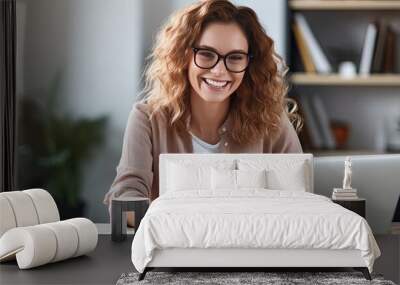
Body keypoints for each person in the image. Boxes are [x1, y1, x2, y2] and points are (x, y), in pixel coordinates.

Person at [103, 0, 303, 226]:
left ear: (249, 64)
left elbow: (298, 197)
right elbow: (125, 198)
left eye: (235, 57)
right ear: (183, 55)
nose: (220, 70)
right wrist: (171, 223)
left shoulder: (271, 120)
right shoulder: (147, 119)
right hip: (172, 254)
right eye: (207, 54)